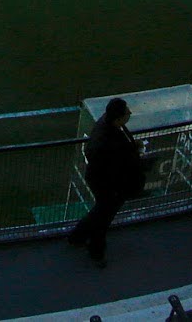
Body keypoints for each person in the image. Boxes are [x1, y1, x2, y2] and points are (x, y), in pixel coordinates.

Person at [67, 97, 145, 268]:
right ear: (119, 117)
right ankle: (95, 251)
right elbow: (107, 159)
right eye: (127, 112)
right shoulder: (107, 139)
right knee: (103, 217)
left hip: (108, 181)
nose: (130, 113)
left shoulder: (109, 126)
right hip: (108, 183)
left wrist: (131, 148)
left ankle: (77, 237)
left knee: (100, 212)